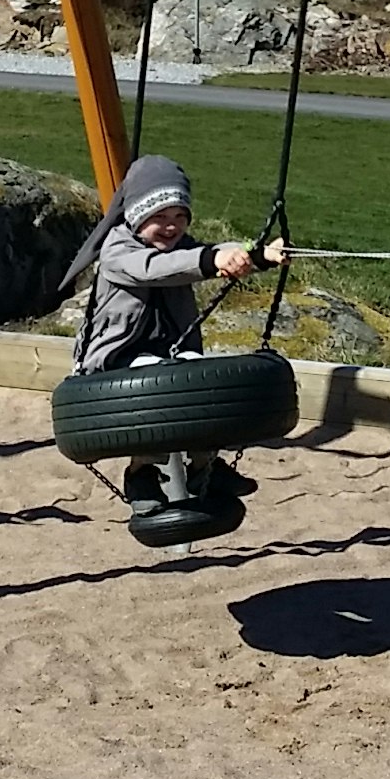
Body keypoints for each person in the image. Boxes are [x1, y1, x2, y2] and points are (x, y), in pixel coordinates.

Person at [58, 154, 287, 513]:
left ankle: (205, 467)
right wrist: (211, 262)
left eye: (180, 217)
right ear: (136, 217)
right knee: (158, 393)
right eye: (160, 218)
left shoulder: (181, 247)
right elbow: (155, 270)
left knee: (199, 383)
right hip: (117, 361)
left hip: (171, 354)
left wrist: (258, 256)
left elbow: (211, 251)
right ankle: (140, 475)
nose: (171, 227)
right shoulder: (119, 250)